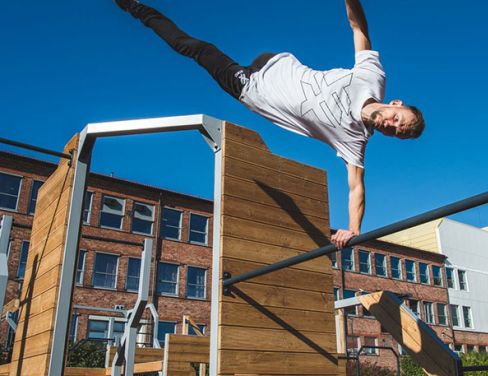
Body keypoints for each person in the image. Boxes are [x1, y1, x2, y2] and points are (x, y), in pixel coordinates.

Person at [114, 0, 425, 250]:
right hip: (276, 63)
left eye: (393, 132)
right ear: (395, 104)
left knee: (197, 48)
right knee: (262, 53)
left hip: (250, 88)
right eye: (395, 119)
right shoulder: (372, 77)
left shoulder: (354, 140)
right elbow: (358, 27)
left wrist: (354, 230)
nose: (387, 124)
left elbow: (356, 187)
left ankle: (134, 7)